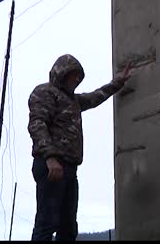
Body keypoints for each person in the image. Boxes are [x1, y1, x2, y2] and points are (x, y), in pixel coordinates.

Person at [27, 54, 132, 241]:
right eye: (73, 74)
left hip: (68, 169)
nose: (77, 79)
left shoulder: (73, 100)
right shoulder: (45, 92)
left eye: (79, 76)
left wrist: (118, 82)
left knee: (68, 227)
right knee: (47, 223)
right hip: (52, 166)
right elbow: (37, 124)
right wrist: (50, 158)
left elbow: (94, 97)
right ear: (62, 73)